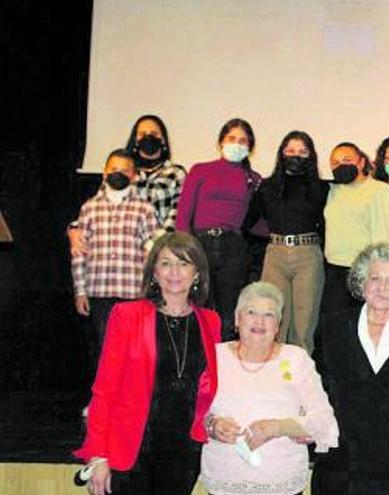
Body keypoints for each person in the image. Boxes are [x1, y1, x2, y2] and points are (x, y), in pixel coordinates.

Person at [74, 232, 221, 495]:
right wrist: (97, 455)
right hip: (131, 449)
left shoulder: (211, 322)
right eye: (165, 263)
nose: (174, 272)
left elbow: (212, 390)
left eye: (184, 263)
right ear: (154, 272)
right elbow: (104, 390)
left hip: (183, 451)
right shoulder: (126, 316)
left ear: (197, 273)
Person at [311, 243, 389, 494]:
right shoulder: (332, 326)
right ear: (362, 284)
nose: (382, 288)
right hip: (341, 460)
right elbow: (317, 387)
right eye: (374, 278)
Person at [199, 282, 339, 495]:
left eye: (269, 315)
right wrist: (212, 425)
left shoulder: (296, 359)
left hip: (281, 483)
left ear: (278, 325)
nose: (259, 321)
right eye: (251, 312)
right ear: (237, 319)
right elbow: (191, 412)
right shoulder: (214, 356)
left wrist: (278, 427)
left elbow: (324, 423)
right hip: (224, 480)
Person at [71, 149, 159, 384]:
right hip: (99, 292)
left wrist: (152, 291)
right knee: (103, 349)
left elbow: (155, 255)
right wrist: (80, 290)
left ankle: (129, 400)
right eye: (113, 169)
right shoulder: (89, 208)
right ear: (104, 173)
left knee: (133, 351)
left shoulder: (145, 209)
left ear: (134, 176)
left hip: (133, 293)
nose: (118, 174)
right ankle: (102, 399)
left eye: (124, 171)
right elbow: (79, 253)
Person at [176, 118, 262, 341]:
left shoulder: (253, 179)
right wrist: (184, 252)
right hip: (199, 245)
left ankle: (222, 366)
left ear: (250, 148)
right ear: (221, 142)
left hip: (234, 248)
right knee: (196, 305)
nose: (237, 144)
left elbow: (258, 224)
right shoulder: (200, 170)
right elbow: (184, 214)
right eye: (231, 138)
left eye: (243, 141)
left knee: (228, 312)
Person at [243, 131, 328, 352]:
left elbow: (326, 224)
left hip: (308, 255)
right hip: (276, 256)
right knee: (273, 319)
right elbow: (249, 223)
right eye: (290, 150)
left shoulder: (321, 188)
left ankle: (300, 380)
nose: (295, 155)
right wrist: (272, 238)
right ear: (281, 153)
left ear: (311, 156)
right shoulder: (267, 187)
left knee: (304, 324)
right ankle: (273, 378)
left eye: (302, 151)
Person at [68, 114, 186, 256]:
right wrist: (74, 229)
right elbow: (98, 204)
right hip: (120, 247)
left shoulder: (176, 173)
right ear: (135, 140)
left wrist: (152, 246)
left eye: (154, 133)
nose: (148, 137)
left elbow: (176, 215)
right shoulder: (121, 171)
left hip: (160, 252)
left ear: (163, 139)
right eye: (142, 134)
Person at [321, 142, 389, 313]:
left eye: (347, 159)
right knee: (332, 325)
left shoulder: (380, 190)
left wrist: (380, 273)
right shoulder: (332, 190)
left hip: (365, 271)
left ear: (361, 162)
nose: (341, 165)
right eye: (335, 163)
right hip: (334, 269)